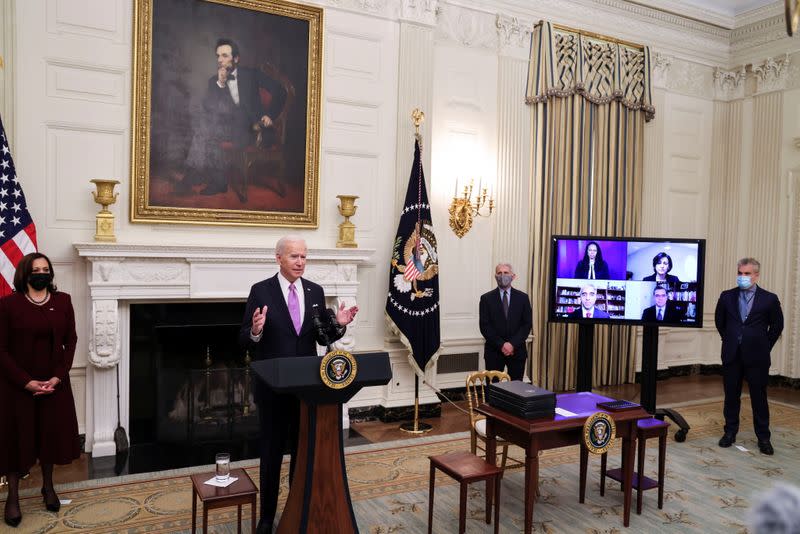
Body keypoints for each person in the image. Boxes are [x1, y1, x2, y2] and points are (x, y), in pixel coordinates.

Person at [239, 236, 358, 533]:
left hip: (307, 390)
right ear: (278, 258)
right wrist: (254, 330)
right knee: (271, 455)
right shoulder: (260, 291)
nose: (301, 262)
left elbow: (321, 337)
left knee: (302, 452)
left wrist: (339, 323)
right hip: (273, 389)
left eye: (304, 256)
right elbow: (243, 337)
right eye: (294, 256)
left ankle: (298, 508)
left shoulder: (315, 291)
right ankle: (267, 518)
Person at [0, 253, 80, 528]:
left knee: (50, 437)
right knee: (14, 442)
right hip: (16, 387)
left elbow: (71, 340)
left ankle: (48, 487)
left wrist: (57, 377)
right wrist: (26, 381)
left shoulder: (63, 301)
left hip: (54, 384)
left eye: (46, 269)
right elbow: (1, 350)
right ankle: (12, 497)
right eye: (37, 270)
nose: (42, 273)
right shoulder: (8, 304)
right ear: (25, 274)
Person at [179, 38, 287, 197]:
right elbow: (210, 110)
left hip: (254, 129)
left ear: (236, 58)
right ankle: (206, 179)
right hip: (229, 128)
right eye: (218, 56)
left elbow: (280, 91)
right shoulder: (214, 81)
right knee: (204, 130)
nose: (220, 60)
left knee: (208, 131)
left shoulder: (252, 74)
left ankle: (199, 177)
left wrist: (270, 115)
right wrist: (221, 84)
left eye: (224, 56)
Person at [715, 258, 783, 455]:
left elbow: (777, 325)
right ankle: (729, 432)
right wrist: (731, 339)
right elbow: (721, 322)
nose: (742, 277)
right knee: (731, 396)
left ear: (756, 275)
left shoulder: (769, 298)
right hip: (732, 354)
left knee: (758, 397)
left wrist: (764, 345)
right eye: (740, 273)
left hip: (757, 356)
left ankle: (763, 438)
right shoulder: (727, 296)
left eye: (746, 274)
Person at [478, 263, 532, 381]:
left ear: (513, 276)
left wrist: (512, 344)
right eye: (499, 273)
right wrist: (502, 345)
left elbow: (527, 324)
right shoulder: (486, 299)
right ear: (495, 276)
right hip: (494, 351)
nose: (503, 276)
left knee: (516, 389)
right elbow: (485, 326)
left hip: (517, 351)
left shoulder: (523, 298)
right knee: (493, 390)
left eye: (506, 273)